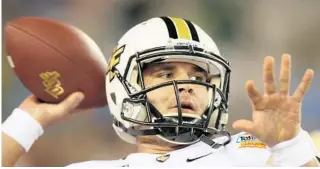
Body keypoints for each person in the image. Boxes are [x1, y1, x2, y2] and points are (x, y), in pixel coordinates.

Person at [2, 16, 319, 167]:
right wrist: (27, 121)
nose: (188, 85)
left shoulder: (254, 152)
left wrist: (291, 146)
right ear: (123, 88)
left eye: (199, 76)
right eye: (166, 73)